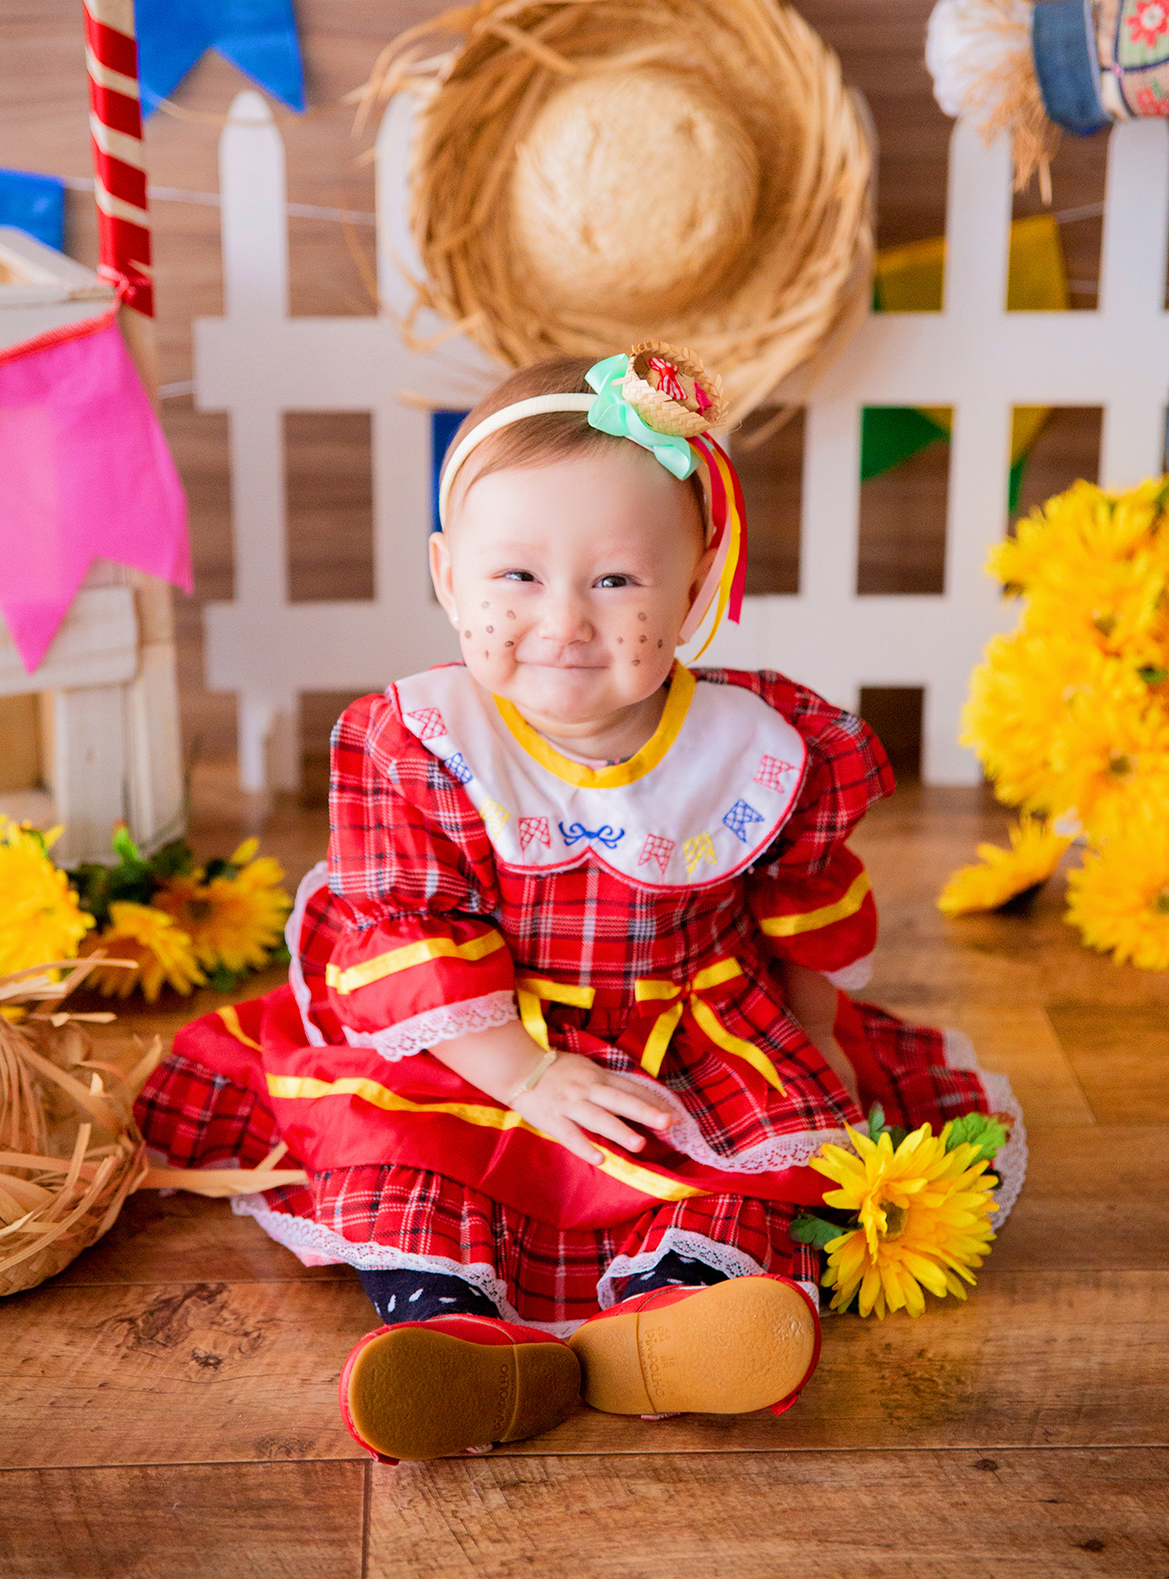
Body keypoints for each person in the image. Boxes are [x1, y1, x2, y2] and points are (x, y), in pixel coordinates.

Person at [136, 346, 1023, 1463]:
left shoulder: (755, 745)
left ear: (696, 587)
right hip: (475, 1036)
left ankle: (678, 1317)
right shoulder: (419, 743)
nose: (564, 621)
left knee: (739, 1159)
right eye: (515, 579)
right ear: (448, 576)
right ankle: (452, 1335)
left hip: (688, 1022)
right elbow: (411, 926)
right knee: (410, 1156)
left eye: (615, 581)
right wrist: (527, 1075)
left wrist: (817, 1031)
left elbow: (808, 895)